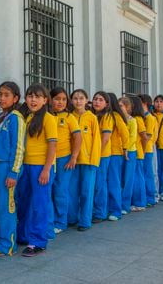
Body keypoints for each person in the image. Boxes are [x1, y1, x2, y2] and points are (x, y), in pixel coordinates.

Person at [17, 84, 57, 257]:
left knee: (39, 205)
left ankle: (38, 242)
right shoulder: (27, 117)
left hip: (42, 167)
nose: (33, 100)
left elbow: (53, 144)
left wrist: (46, 170)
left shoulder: (48, 118)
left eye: (37, 97)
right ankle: (24, 235)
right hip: (25, 166)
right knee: (23, 202)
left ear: (45, 100)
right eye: (30, 96)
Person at [0, 81, 25, 257]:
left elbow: (18, 148)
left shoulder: (16, 118)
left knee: (6, 206)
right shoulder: (1, 116)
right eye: (0, 94)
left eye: (6, 95)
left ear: (15, 98)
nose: (2, 98)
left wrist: (13, 172)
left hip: (6, 166)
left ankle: (7, 243)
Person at [49, 87, 81, 235]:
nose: (60, 102)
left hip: (64, 159)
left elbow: (78, 137)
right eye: (57, 99)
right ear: (50, 99)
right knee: (50, 190)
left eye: (63, 99)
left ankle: (61, 222)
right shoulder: (47, 116)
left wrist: (74, 157)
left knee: (61, 190)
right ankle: (51, 219)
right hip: (49, 159)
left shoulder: (69, 117)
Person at [68, 89, 101, 232]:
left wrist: (93, 160)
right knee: (72, 191)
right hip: (72, 161)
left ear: (86, 100)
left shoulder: (92, 117)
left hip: (88, 161)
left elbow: (97, 141)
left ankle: (85, 220)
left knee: (86, 191)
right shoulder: (70, 117)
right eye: (75, 98)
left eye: (81, 98)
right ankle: (72, 218)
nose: (78, 101)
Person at [92, 91, 114, 223]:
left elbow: (105, 139)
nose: (97, 102)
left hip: (102, 154)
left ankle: (100, 212)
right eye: (95, 99)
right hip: (93, 155)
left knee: (100, 183)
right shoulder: (94, 116)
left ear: (106, 103)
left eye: (100, 100)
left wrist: (96, 153)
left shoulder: (107, 117)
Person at [107, 93, 129, 221]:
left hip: (115, 152)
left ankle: (116, 210)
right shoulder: (101, 115)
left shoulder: (115, 116)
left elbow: (125, 133)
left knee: (114, 181)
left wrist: (125, 148)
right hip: (104, 153)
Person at [138, 94, 158, 207]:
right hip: (143, 148)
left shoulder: (149, 118)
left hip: (147, 149)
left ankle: (151, 197)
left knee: (148, 173)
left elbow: (148, 136)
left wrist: (144, 149)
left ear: (144, 103)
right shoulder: (143, 117)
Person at [118, 97, 137, 215]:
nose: (119, 108)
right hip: (118, 152)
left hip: (129, 151)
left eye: (121, 106)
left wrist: (125, 148)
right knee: (119, 178)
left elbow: (132, 137)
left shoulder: (132, 120)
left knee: (128, 178)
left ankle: (125, 204)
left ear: (127, 107)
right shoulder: (118, 119)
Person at [130, 96, 148, 211]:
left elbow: (144, 137)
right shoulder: (134, 118)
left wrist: (143, 149)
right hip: (136, 151)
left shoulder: (137, 119)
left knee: (138, 177)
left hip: (138, 151)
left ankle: (140, 202)